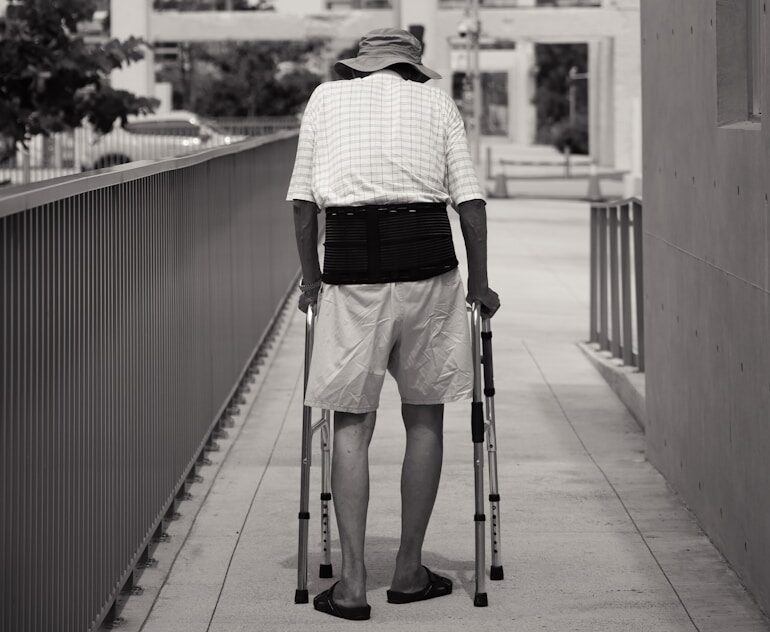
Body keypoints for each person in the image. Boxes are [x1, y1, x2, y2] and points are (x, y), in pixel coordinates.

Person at [286, 27, 500, 621]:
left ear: (358, 66)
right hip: (429, 266)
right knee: (424, 415)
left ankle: (352, 585)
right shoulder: (437, 101)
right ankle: (407, 572)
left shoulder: (325, 99)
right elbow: (470, 202)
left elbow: (304, 203)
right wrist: (479, 285)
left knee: (352, 421)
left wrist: (311, 281)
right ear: (412, 67)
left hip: (353, 269)